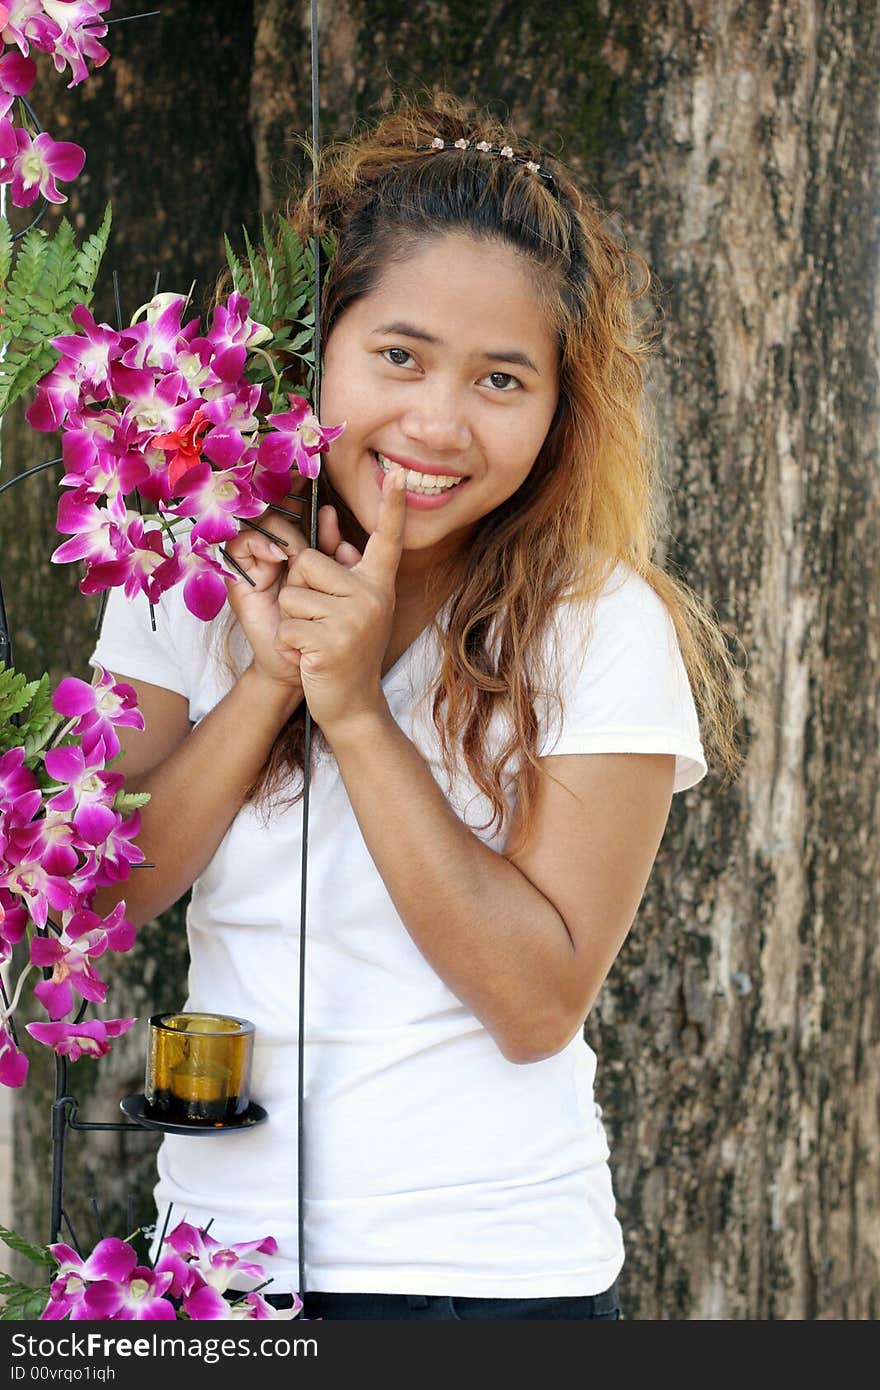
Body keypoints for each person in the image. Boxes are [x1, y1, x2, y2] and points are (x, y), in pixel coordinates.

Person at [89, 94, 741, 1321]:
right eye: (398, 356)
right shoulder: (182, 566)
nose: (436, 423)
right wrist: (273, 673)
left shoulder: (600, 625)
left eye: (500, 378)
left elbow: (536, 1002)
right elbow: (100, 892)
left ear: (558, 412)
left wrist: (354, 710)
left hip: (486, 1281)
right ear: (314, 346)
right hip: (213, 1266)